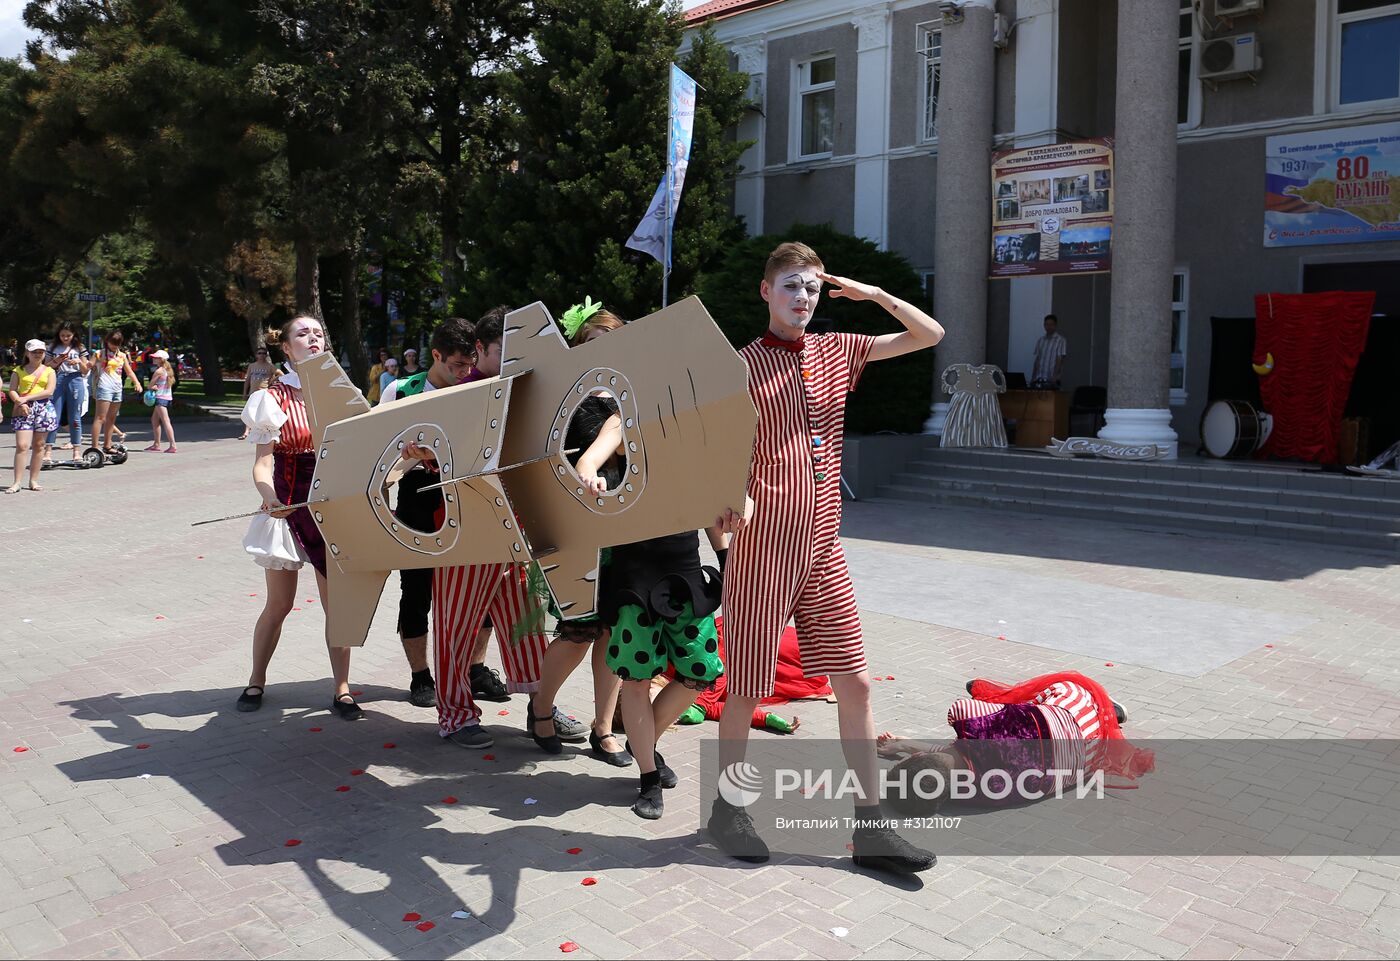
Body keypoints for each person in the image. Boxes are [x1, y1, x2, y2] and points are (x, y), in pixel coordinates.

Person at [708, 241, 945, 873]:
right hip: (764, 547)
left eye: (811, 287)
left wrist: (870, 295)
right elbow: (713, 450)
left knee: (857, 683)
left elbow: (929, 334)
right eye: (790, 285)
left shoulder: (841, 349)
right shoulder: (741, 365)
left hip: (824, 543)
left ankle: (871, 827)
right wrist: (726, 498)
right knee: (748, 689)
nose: (803, 298)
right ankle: (730, 809)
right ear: (766, 292)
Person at [399, 307, 577, 750]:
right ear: (479, 349)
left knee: (528, 621)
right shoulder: (451, 397)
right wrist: (420, 448)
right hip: (468, 529)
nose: (514, 358)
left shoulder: (524, 389)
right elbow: (421, 450)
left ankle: (543, 707)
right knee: (457, 624)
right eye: (503, 350)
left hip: (516, 527)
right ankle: (456, 714)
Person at [237, 316, 360, 720]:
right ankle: (256, 678)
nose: (313, 338)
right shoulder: (271, 398)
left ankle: (341, 688)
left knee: (336, 606)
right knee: (280, 604)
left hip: (333, 511)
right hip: (288, 511)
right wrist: (269, 497)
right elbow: (262, 463)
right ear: (286, 348)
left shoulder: (343, 394)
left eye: (319, 333)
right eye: (302, 334)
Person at [377, 317, 481, 708]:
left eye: (469, 363)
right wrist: (405, 453)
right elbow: (377, 449)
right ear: (435, 355)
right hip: (417, 493)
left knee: (474, 584)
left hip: (465, 493)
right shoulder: (401, 390)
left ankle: (475, 668)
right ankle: (421, 675)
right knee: (416, 588)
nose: (463, 372)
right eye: (455, 364)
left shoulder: (475, 386)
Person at [6, 339, 58, 493]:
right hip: (24, 409)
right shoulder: (19, 370)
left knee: (39, 445)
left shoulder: (49, 371)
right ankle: (17, 482)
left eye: (40, 352)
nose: (37, 354)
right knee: (22, 445)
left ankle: (33, 480)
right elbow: (12, 389)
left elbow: (49, 391)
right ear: (27, 353)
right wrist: (20, 403)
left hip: (43, 409)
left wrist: (26, 399)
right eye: (34, 352)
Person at [44, 322, 92, 466]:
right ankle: (47, 452)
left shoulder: (80, 348)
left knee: (75, 417)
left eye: (68, 335)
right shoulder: (53, 347)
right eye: (62, 335)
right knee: (54, 417)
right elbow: (46, 367)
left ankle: (76, 451)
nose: (65, 338)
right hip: (57, 379)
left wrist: (78, 361)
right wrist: (56, 361)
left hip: (75, 380)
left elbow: (85, 371)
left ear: (74, 335)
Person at [91, 331, 142, 455]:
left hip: (117, 388)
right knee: (100, 418)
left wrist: (137, 383)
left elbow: (129, 372)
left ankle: (107, 445)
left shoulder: (122, 355)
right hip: (104, 387)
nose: (114, 346)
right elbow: (89, 365)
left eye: (117, 344)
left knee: (111, 418)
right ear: (107, 341)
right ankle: (94, 447)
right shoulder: (99, 353)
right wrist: (90, 362)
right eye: (113, 343)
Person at [239, 347, 277, 441]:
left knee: (262, 412)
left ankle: (263, 431)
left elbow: (279, 373)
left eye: (264, 353)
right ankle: (246, 432)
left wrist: (271, 382)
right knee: (249, 411)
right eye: (259, 353)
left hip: (264, 392)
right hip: (253, 392)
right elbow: (247, 380)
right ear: (256, 355)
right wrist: (245, 392)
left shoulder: (270, 366)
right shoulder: (252, 366)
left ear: (266, 355)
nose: (262, 355)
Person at [144, 349, 178, 453]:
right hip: (167, 398)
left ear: (161, 359)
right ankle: (156, 444)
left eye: (156, 357)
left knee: (166, 421)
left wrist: (152, 387)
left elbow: (149, 385)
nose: (153, 358)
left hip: (160, 398)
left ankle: (173, 445)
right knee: (154, 420)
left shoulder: (158, 371)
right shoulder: (167, 370)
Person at [1030, 313, 1067, 389]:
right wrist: (1033, 377)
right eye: (1046, 324)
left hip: (1051, 380)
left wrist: (1055, 377)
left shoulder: (1060, 340)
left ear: (1055, 325)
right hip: (1039, 379)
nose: (1048, 327)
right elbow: (1037, 360)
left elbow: (1059, 360)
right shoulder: (1041, 340)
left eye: (1051, 324)